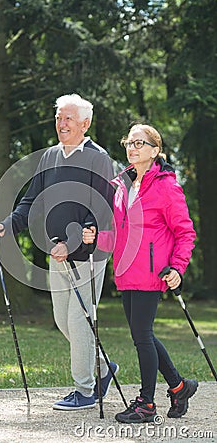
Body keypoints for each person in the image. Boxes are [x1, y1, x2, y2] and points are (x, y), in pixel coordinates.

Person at [0, 93, 119, 410]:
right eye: (59, 118)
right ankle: (102, 366)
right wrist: (6, 226)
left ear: (85, 123)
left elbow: (101, 209)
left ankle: (85, 391)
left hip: (87, 256)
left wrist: (71, 244)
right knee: (62, 320)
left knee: (79, 322)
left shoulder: (98, 158)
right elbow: (32, 202)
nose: (62, 123)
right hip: (56, 255)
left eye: (68, 118)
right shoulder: (50, 157)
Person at [83, 123, 198, 423]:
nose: (132, 148)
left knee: (142, 335)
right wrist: (97, 238)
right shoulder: (121, 186)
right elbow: (120, 236)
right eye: (129, 142)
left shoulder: (167, 186)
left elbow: (185, 233)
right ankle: (180, 386)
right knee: (141, 334)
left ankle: (147, 404)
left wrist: (177, 267)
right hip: (125, 271)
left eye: (139, 143)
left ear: (155, 151)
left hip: (152, 272)